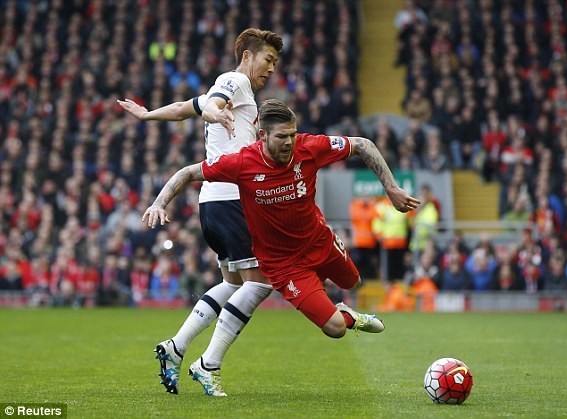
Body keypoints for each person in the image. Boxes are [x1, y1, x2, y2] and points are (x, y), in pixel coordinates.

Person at [142, 99, 421, 393]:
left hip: (319, 242)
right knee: (336, 330)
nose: (290, 142)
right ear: (263, 136)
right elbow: (187, 172)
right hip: (283, 265)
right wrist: (159, 202)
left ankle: (339, 308)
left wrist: (391, 188)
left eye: (293, 134)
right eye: (281, 136)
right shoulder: (242, 163)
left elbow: (363, 144)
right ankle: (341, 317)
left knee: (354, 281)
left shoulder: (309, 147)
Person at [118, 28, 284, 395]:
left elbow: (183, 109)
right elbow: (211, 106)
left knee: (233, 283)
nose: (271, 68)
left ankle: (175, 347)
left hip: (212, 200)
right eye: (268, 59)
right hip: (231, 198)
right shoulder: (234, 80)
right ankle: (209, 364)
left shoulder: (235, 92)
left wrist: (146, 116)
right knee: (261, 283)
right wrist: (214, 112)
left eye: (275, 62)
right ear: (247, 55)